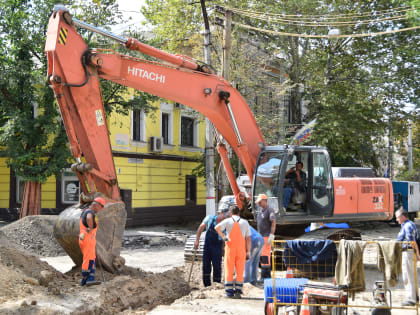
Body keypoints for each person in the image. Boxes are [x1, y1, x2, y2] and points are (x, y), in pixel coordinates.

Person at [215, 205, 251, 299]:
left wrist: (223, 237)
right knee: (239, 271)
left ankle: (229, 293)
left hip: (230, 248)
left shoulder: (227, 221)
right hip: (241, 249)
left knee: (229, 269)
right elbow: (248, 238)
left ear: (230, 213)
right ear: (239, 213)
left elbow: (217, 228)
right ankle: (238, 292)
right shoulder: (245, 222)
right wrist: (248, 252)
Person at [193, 208, 229, 287]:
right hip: (208, 246)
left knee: (217, 266)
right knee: (206, 265)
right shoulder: (210, 218)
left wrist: (224, 249)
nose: (225, 218)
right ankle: (207, 285)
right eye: (224, 216)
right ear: (221, 213)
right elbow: (201, 228)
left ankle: (217, 284)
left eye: (227, 217)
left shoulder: (225, 225)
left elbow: (224, 239)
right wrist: (197, 241)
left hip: (218, 247)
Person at [396, 208, 420, 306]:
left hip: (408, 252)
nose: (397, 219)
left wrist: (418, 254)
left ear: (402, 217)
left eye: (397, 217)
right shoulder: (410, 224)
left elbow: (412, 242)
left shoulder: (407, 226)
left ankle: (411, 298)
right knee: (411, 274)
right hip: (409, 252)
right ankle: (415, 296)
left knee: (408, 275)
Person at [79, 196, 105, 286]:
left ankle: (90, 279)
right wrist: (90, 227)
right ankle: (85, 279)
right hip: (87, 238)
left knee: (92, 259)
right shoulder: (90, 212)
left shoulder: (85, 210)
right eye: (101, 208)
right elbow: (89, 218)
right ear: (97, 205)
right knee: (89, 260)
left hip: (87, 238)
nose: (100, 210)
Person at [255, 193, 276, 279]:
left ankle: (265, 276)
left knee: (265, 256)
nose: (259, 204)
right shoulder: (260, 209)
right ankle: (266, 276)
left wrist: (271, 235)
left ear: (264, 201)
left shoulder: (270, 210)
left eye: (260, 202)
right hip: (261, 236)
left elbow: (273, 222)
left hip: (266, 236)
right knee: (263, 255)